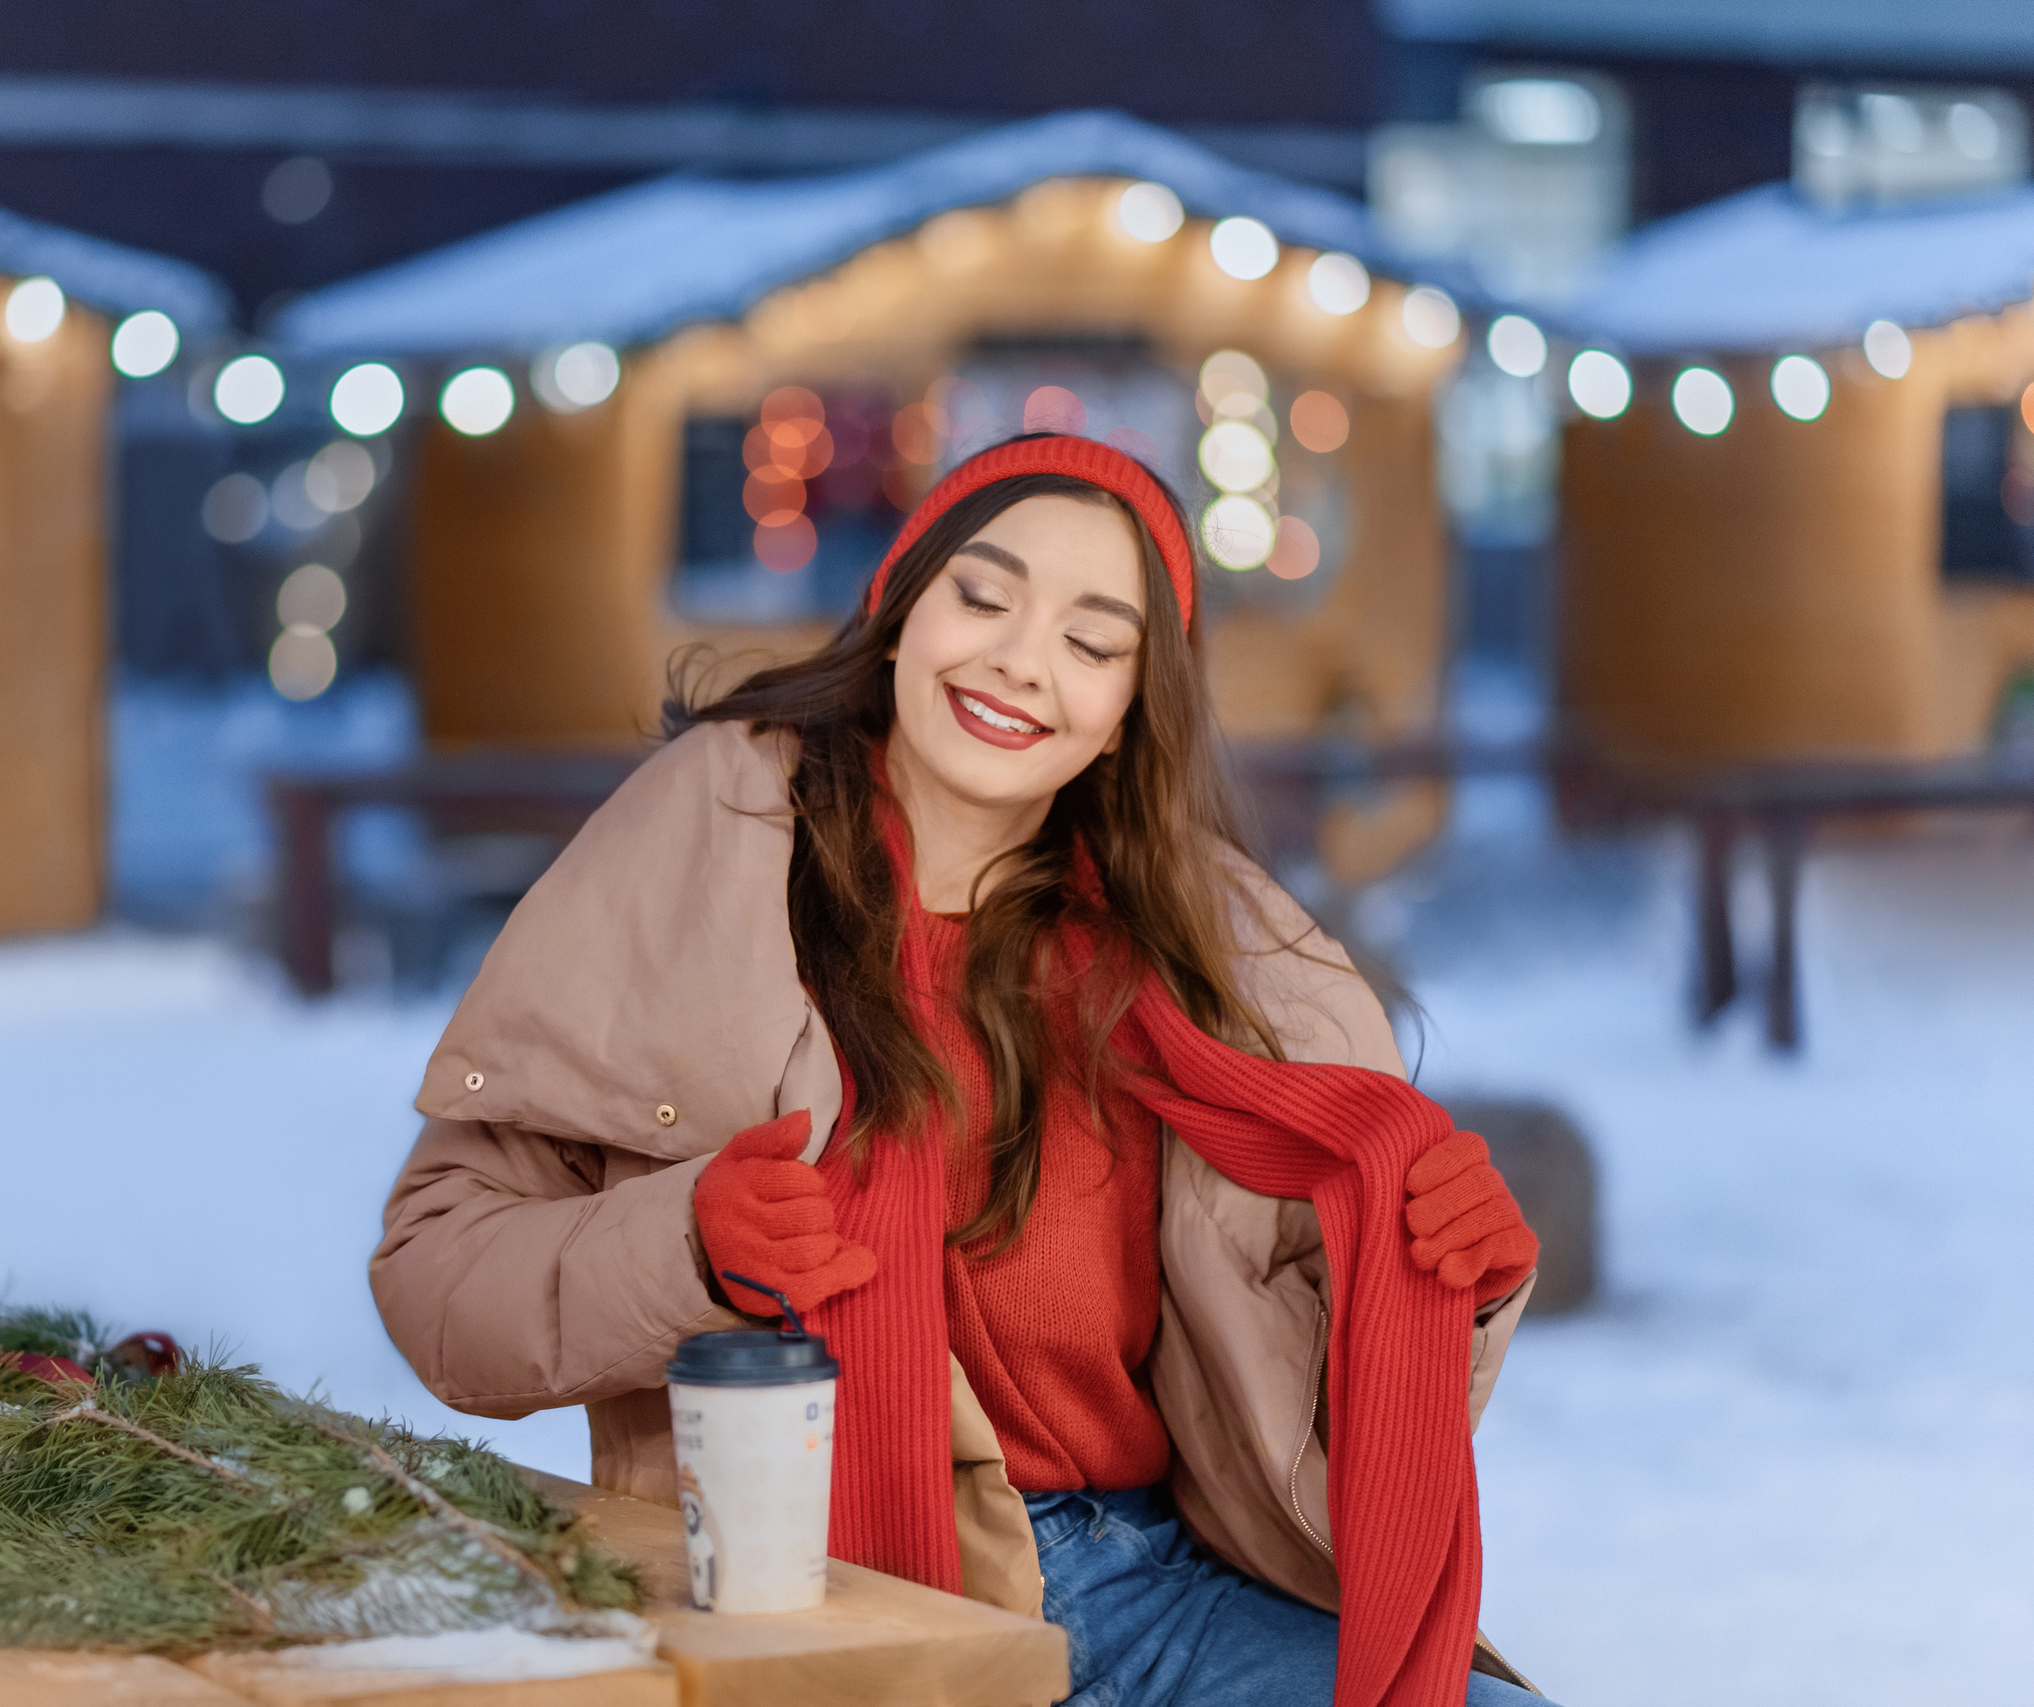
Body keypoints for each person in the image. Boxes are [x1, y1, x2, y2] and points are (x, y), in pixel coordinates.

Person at [373, 432, 1551, 1706]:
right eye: (981, 596)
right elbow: (441, 1279)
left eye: (1093, 644)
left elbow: (1316, 1425)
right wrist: (689, 1244)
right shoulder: (698, 858)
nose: (1018, 659)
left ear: (1123, 719)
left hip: (1154, 1591)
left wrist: (1443, 1289)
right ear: (897, 609)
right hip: (827, 1607)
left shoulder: (1200, 969)